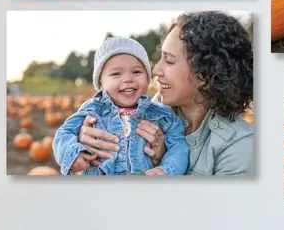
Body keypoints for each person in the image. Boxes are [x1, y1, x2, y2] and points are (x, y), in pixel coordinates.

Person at [75, 11, 253, 175]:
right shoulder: (156, 107)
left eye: (168, 60)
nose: (156, 69)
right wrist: (82, 141)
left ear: (206, 73)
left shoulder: (240, 147)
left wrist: (166, 162)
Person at [52, 37, 189, 175]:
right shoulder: (93, 109)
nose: (128, 79)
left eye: (136, 72)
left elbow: (178, 146)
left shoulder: (161, 114)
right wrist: (72, 155)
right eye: (116, 74)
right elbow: (64, 133)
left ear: (148, 79)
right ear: (101, 84)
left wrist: (167, 170)